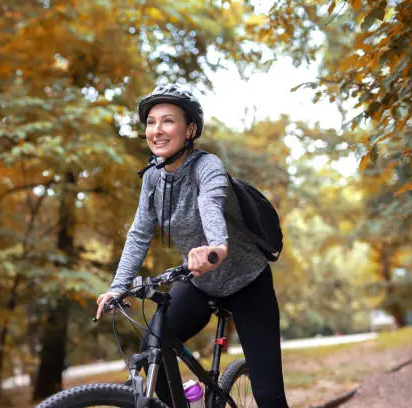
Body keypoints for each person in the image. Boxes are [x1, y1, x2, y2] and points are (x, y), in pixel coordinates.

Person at [96, 84, 289, 408]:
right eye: (151, 122)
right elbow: (140, 233)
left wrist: (216, 247)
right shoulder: (153, 178)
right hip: (201, 283)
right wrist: (117, 288)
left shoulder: (207, 167)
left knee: (268, 395)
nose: (157, 130)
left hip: (247, 282)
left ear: (190, 129)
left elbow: (210, 205)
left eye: (168, 121)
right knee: (152, 354)